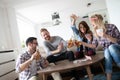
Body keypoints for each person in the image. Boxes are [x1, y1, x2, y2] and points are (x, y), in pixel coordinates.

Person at [79, 14, 120, 80]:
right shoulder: (96, 32)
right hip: (107, 50)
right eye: (92, 24)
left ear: (99, 21)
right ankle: (108, 78)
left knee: (111, 47)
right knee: (107, 51)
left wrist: (106, 35)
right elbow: (94, 46)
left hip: (117, 47)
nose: (93, 25)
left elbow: (118, 41)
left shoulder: (112, 27)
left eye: (93, 23)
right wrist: (82, 43)